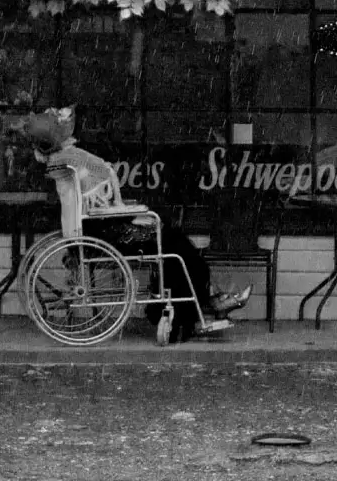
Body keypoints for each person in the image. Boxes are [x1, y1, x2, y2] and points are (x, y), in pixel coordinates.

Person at [22, 113, 247, 341]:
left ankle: (203, 304)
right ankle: (193, 313)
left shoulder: (59, 160)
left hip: (97, 227)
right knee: (176, 248)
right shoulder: (71, 156)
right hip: (106, 231)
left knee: (175, 243)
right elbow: (102, 176)